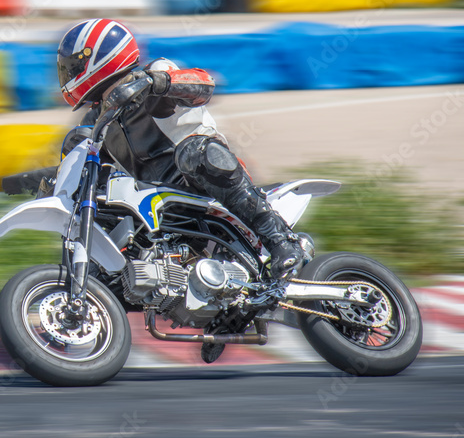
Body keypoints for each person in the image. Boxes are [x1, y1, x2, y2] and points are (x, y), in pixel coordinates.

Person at [56, 18, 302, 294]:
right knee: (97, 198)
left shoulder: (155, 72)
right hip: (155, 202)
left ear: (103, 54)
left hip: (199, 182)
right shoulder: (99, 120)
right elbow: (86, 165)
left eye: (75, 66)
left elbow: (203, 85)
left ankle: (282, 242)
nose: (69, 74)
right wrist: (45, 182)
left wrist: (157, 82)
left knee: (194, 152)